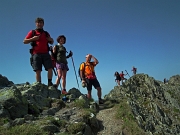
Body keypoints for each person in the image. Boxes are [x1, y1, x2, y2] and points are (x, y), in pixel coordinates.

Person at [23, 17, 54, 86]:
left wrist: (50, 39)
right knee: (38, 70)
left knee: (50, 68)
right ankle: (39, 84)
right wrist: (33, 39)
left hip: (46, 53)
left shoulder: (46, 33)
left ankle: (49, 82)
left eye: (41, 23)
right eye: (38, 23)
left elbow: (51, 42)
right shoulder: (32, 32)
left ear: (43, 24)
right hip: (36, 53)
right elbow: (24, 41)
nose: (39, 24)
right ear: (36, 24)